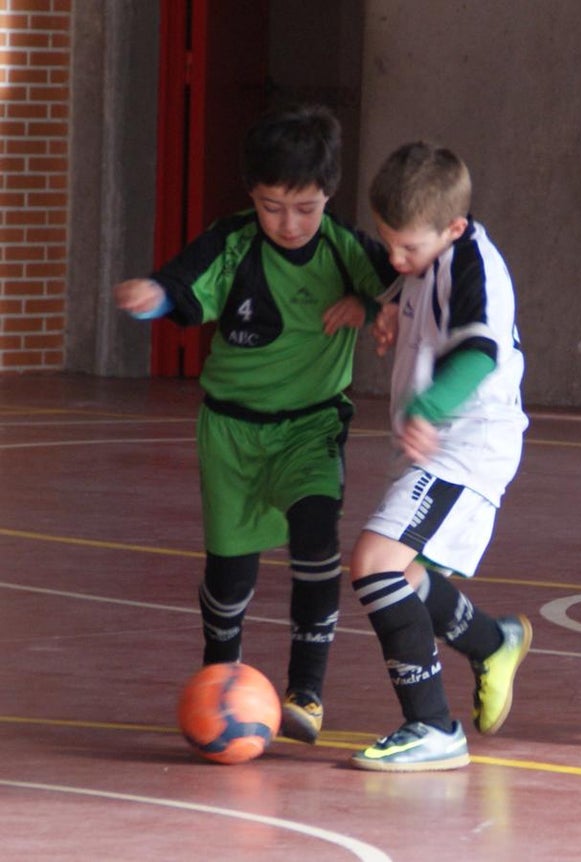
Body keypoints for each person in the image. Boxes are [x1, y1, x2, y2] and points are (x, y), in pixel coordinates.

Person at [114, 104, 397, 746]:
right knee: (229, 577)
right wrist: (150, 298)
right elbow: (179, 284)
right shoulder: (232, 241)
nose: (289, 224)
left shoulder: (348, 248)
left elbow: (405, 281)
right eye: (272, 207)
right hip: (231, 433)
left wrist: (370, 302)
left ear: (328, 195)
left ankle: (307, 693)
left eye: (305, 208)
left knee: (316, 541)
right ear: (251, 196)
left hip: (311, 427)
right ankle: (219, 677)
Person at [347, 141, 531, 772]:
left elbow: (477, 352)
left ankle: (431, 726)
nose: (396, 258)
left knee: (374, 565)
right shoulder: (436, 255)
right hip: (436, 444)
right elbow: (424, 290)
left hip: (466, 444)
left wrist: (428, 409)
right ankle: (492, 641)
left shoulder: (475, 266)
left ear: (453, 229)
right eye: (387, 243)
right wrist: (390, 303)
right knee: (408, 572)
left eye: (409, 249)